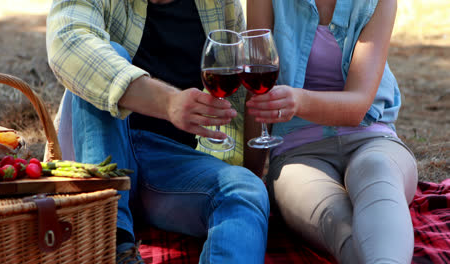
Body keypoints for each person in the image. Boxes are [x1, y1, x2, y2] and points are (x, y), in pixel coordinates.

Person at [46, 0, 270, 263]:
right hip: (92, 156)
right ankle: (112, 242)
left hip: (167, 161)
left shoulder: (219, 3)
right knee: (109, 52)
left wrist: (248, 169)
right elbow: (68, 41)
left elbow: (240, 90)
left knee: (246, 190)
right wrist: (168, 102)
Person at [246, 0, 418, 263]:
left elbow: (357, 106)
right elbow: (256, 92)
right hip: (297, 153)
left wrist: (299, 101)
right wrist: (251, 180)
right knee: (336, 223)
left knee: (376, 170)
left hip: (371, 138)